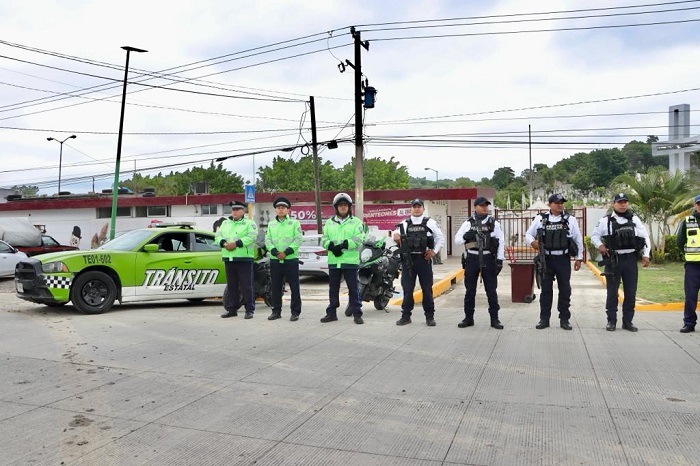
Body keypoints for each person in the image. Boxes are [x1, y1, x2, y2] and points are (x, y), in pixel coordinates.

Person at [591, 193, 650, 332]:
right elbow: (595, 236)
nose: (622, 204)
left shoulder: (635, 219)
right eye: (619, 202)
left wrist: (646, 255)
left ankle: (628, 322)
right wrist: (600, 245)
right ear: (614, 204)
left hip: (630, 259)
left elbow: (644, 237)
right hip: (613, 260)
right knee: (612, 292)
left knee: (630, 292)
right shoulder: (605, 221)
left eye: (625, 202)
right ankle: (611, 321)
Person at [525, 193, 584, 331]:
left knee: (565, 290)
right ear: (550, 204)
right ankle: (544, 319)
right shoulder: (541, 219)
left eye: (562, 202)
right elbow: (528, 234)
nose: (560, 204)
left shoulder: (570, 219)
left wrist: (579, 258)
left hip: (563, 259)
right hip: (546, 259)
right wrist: (532, 242)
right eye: (557, 202)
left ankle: (564, 319)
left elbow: (578, 238)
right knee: (545, 291)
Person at [454, 197, 505, 329]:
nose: (485, 208)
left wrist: (500, 259)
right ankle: (468, 318)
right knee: (470, 290)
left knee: (491, 291)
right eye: (482, 206)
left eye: (486, 206)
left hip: (489, 258)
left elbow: (501, 242)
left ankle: (495, 319)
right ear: (475, 207)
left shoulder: (493, 223)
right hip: (472, 258)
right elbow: (457, 240)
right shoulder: (468, 223)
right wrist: (466, 236)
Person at [393, 199, 445, 327]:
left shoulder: (430, 223)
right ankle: (406, 316)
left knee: (427, 289)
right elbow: (395, 237)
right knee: (408, 289)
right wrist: (396, 238)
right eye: (414, 207)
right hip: (408, 261)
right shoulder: (404, 223)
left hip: (424, 260)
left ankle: (429, 317)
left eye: (419, 206)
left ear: (423, 208)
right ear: (411, 208)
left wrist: (434, 251)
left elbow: (440, 238)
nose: (417, 209)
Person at [320, 193, 366, 325]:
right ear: (336, 207)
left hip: (350, 261)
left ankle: (357, 313)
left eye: (345, 205)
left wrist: (344, 245)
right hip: (334, 261)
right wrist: (331, 246)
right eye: (340, 205)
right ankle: (331, 313)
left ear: (349, 207)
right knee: (333, 289)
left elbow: (358, 239)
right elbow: (323, 239)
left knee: (353, 289)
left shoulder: (356, 222)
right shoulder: (329, 222)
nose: (343, 207)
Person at [216, 200, 259, 319]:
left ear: (243, 211)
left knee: (246, 286)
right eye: (233, 209)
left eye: (237, 209)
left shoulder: (249, 223)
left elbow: (251, 237)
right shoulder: (225, 223)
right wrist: (224, 243)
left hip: (244, 258)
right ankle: (232, 309)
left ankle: (249, 309)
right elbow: (218, 236)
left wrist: (237, 244)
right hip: (229, 258)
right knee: (232, 286)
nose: (234, 212)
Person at [265, 197, 303, 321]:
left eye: (283, 208)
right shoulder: (271, 224)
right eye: (278, 208)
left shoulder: (294, 223)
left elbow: (298, 239)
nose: (281, 210)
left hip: (290, 260)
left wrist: (286, 252)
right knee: (275, 287)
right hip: (276, 260)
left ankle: (295, 312)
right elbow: (268, 240)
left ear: (288, 210)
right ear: (276, 210)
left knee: (294, 287)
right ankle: (276, 311)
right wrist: (275, 252)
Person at [676, 194, 700, 333]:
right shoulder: (688, 221)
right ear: (695, 205)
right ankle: (689, 323)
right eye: (699, 204)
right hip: (693, 266)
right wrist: (688, 254)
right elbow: (680, 242)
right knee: (690, 296)